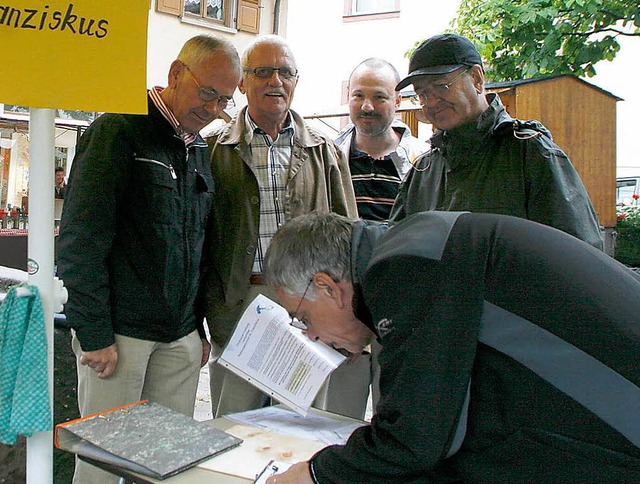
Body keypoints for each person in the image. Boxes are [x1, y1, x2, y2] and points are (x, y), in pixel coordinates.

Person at [262, 211, 640, 483]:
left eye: (303, 318)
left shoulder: (403, 268)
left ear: (327, 286)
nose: (309, 335)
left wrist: (315, 473)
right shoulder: (415, 245)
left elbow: (415, 436)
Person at [57, 35, 242, 484]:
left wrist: (196, 330)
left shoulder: (199, 147)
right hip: (118, 341)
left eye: (225, 100)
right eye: (208, 94)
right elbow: (81, 241)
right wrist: (94, 332)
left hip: (178, 341)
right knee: (102, 468)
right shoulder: (118, 130)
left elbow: (197, 246)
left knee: (169, 468)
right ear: (177, 74)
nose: (215, 109)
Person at [197, 34, 363, 419]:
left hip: (312, 307)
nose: (276, 80)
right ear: (242, 82)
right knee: (236, 423)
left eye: (285, 72)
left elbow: (350, 234)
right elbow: (198, 242)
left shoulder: (324, 150)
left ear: (296, 81)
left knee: (308, 421)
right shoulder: (210, 149)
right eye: (263, 71)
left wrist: (350, 309)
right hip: (241, 306)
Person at [390, 33, 604, 250]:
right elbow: (397, 253)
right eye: (423, 94)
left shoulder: (529, 153)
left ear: (476, 78)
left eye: (442, 86)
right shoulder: (423, 171)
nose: (432, 102)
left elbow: (582, 256)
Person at [335, 57, 425, 222]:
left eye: (379, 97)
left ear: (397, 101)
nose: (367, 106)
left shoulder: (423, 161)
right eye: (359, 95)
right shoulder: (329, 158)